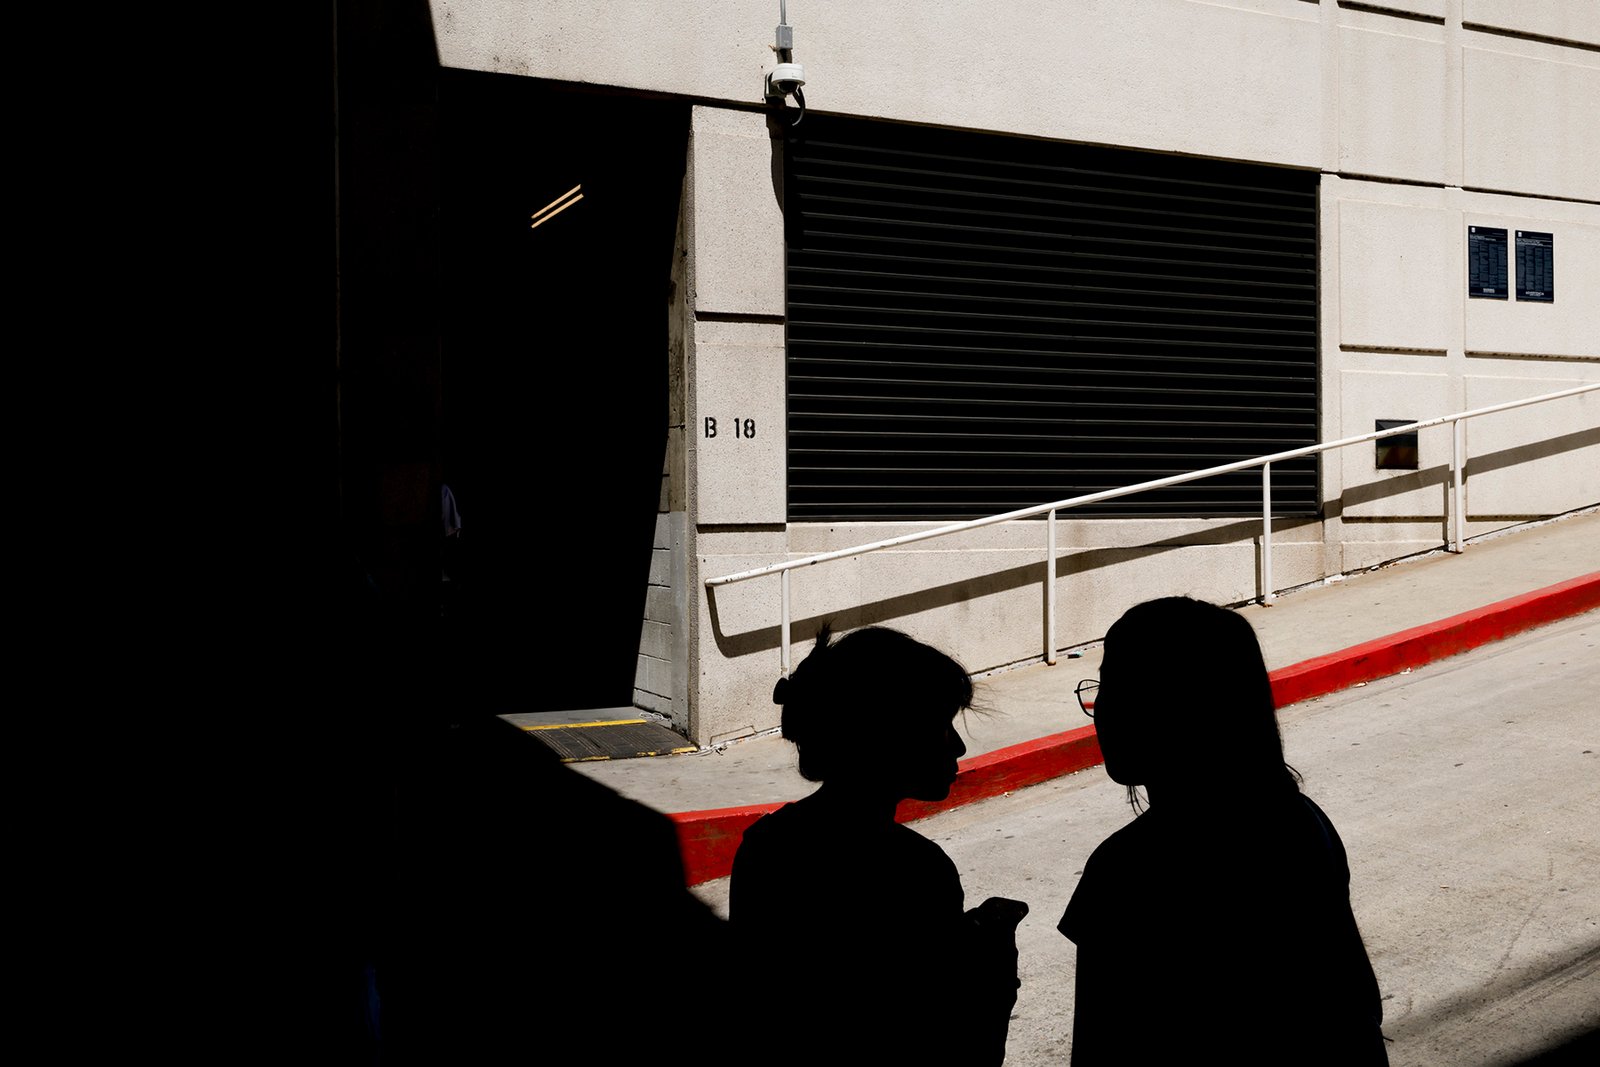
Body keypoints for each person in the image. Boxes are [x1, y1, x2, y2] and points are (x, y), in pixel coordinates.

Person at [1059, 596, 1389, 1065]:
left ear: (1182, 708)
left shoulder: (1131, 868)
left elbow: (1102, 1049)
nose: (1105, 708)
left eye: (1124, 687)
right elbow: (1352, 1007)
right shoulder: (1298, 820)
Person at [729, 624, 1027, 1066]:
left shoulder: (766, 845)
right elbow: (947, 1045)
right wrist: (991, 965)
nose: (958, 746)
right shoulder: (916, 870)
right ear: (886, 736)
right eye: (940, 725)